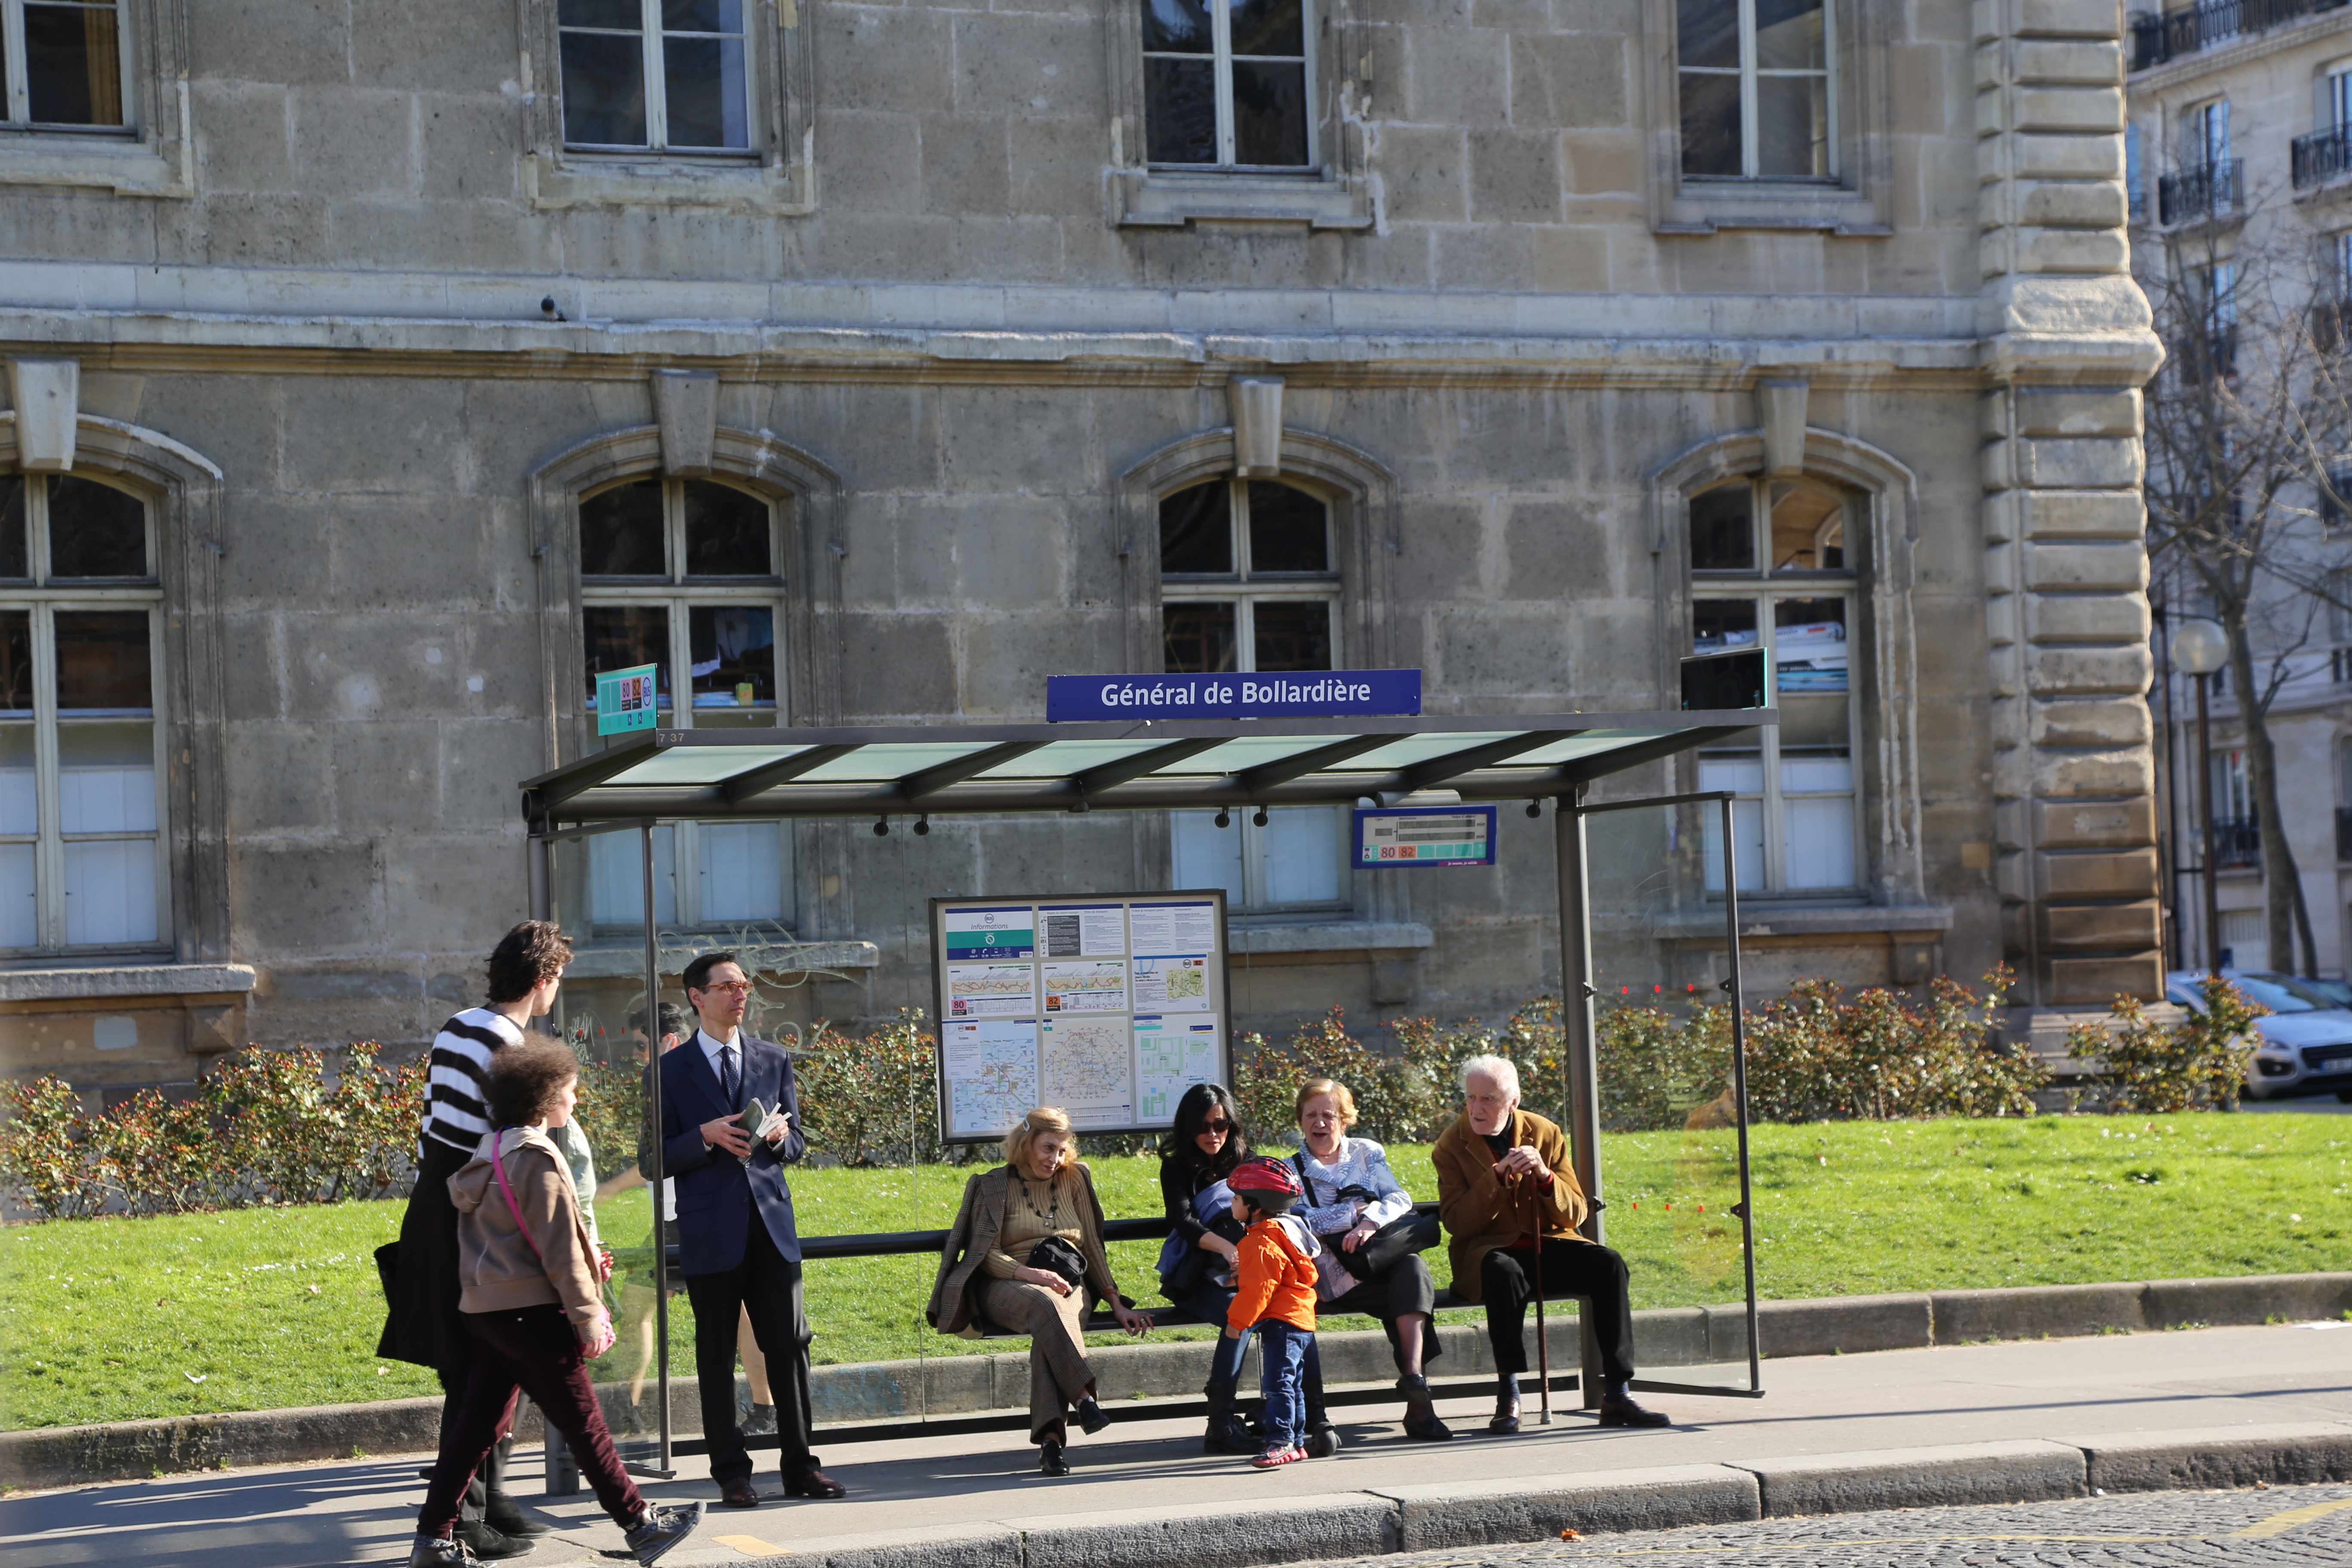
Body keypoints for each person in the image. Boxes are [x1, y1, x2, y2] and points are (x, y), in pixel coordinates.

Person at [409, 1036, 704, 1568]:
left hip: (489, 1313)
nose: (576, 1098)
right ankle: (641, 1526)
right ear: (546, 1097)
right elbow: (558, 1249)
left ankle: (432, 1540)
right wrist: (589, 1315)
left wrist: (587, 1264)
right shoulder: (537, 1157)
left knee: (473, 1432)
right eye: (570, 1089)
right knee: (585, 1425)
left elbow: (509, 1240)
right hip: (534, 1316)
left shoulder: (491, 1149)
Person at [380, 920, 574, 1561]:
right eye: (557, 979)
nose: (556, 991)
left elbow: (434, 1125)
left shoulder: (458, 1025)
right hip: (475, 1214)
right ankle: (464, 1521)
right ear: (542, 980)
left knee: (476, 1370)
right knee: (481, 1371)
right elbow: (505, 1147)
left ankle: (478, 1511)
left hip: (436, 1205)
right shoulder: (510, 1043)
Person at [656, 951, 844, 1507]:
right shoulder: (669, 1070)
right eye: (728, 987)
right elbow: (652, 1158)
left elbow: (799, 1141)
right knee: (716, 1356)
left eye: (744, 985)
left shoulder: (772, 1058)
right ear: (698, 997)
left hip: (771, 1228)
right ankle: (731, 1474)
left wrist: (784, 1139)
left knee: (790, 1348)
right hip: (710, 1231)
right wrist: (705, 1136)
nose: (740, 994)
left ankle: (801, 1468)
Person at [1433, 1054, 1671, 1435]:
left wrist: (1545, 1177)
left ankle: (1617, 1392)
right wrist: (1496, 1178)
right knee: (1503, 1272)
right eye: (1471, 1098)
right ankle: (1509, 1394)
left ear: (1513, 1101)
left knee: (1608, 1264)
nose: (1476, 1109)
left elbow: (1575, 1213)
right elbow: (1459, 1224)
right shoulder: (1450, 1146)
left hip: (1549, 1247)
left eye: (1488, 1099)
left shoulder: (1545, 1132)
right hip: (1488, 1253)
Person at [927, 1107, 1154, 1476]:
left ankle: (1051, 1444)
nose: (1056, 1159)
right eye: (1048, 1148)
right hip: (1006, 1281)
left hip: (1068, 1281)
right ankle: (1084, 1397)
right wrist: (1031, 1274)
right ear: (1026, 1144)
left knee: (1052, 1318)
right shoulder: (993, 1184)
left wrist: (1114, 1300)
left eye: (1062, 1150)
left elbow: (1092, 1246)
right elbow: (986, 1254)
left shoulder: (1074, 1178)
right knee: (1046, 1303)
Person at [597, 1003, 775, 1435]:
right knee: (640, 1310)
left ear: (669, 1041)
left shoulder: (681, 1080)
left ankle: (765, 1411)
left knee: (737, 1317)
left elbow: (661, 1156)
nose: (637, 1055)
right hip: (674, 1221)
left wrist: (611, 1188)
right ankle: (628, 1413)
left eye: (642, 1046)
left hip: (694, 1219)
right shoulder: (669, 1080)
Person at [1289, 1079, 1452, 1441]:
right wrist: (1351, 1213)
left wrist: (1370, 1221)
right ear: (1301, 1120)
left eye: (1329, 1115)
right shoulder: (1291, 1170)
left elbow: (1399, 1199)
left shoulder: (1366, 1152)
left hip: (1377, 1261)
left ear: (1345, 1120)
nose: (1320, 1123)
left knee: (1412, 1269)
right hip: (1333, 1275)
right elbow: (1300, 1221)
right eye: (1311, 1115)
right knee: (1407, 1297)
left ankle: (1414, 1380)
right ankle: (1421, 1408)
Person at [1153, 1083, 1261, 1454]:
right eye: (1202, 1127)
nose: (1212, 1134)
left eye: (1220, 1125)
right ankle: (1220, 1422)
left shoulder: (1248, 1160)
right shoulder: (1177, 1166)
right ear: (1188, 1128)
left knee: (1287, 1310)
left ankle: (1290, 1410)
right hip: (1196, 1275)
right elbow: (1183, 1221)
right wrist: (1228, 1248)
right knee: (1239, 1316)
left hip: (1247, 1274)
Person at [1222, 1157, 1320, 1470]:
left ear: (1254, 1206)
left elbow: (1258, 1289)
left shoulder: (1259, 1242)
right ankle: (1297, 1442)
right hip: (1299, 1318)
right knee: (1292, 1385)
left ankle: (1280, 1442)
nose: (1232, 1202)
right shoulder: (1284, 1230)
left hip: (1282, 1322)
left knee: (1278, 1384)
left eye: (1237, 1198)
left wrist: (1238, 1322)